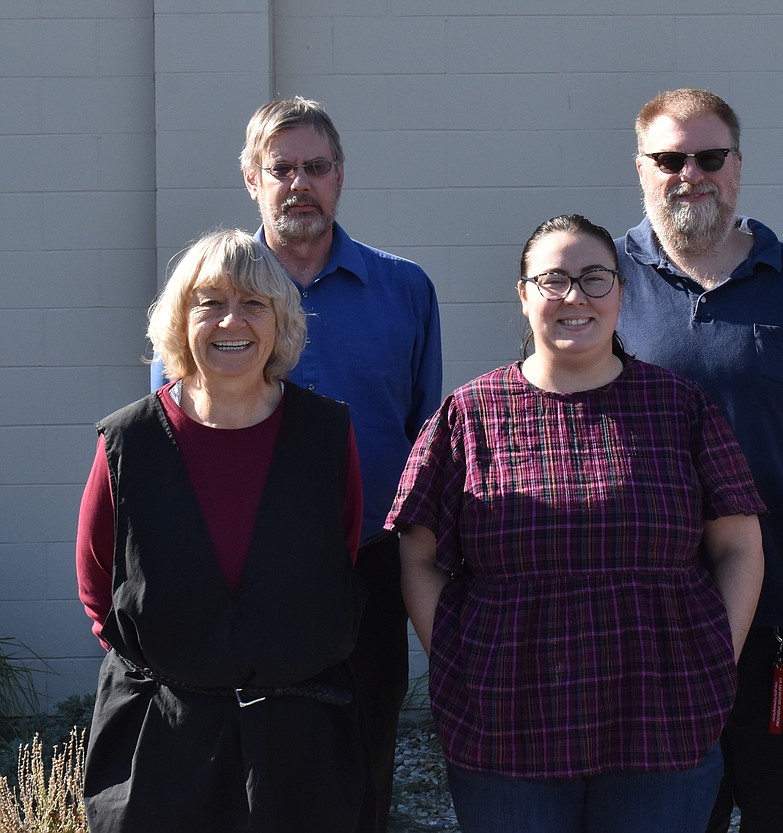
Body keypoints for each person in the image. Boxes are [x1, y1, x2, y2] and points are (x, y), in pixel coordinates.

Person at [389, 213, 767, 833]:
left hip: (660, 715)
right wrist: (457, 661)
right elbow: (417, 555)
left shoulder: (679, 406)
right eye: (553, 280)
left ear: (620, 292)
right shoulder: (469, 414)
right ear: (523, 295)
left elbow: (738, 546)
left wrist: (714, 657)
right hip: (506, 726)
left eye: (595, 278)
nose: (575, 297)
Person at [151, 96, 444, 828]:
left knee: (365, 760)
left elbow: (419, 432)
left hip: (365, 572)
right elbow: (163, 435)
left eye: (316, 166)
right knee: (237, 773)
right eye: (281, 169)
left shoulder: (404, 290)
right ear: (252, 179)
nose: (300, 183)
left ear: (341, 175)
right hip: (238, 582)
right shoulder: (206, 295)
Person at [615, 88, 783, 833]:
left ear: (738, 166)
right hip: (649, 632)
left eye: (709, 156)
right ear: (641, 169)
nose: (689, 173)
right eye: (669, 158)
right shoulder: (606, 286)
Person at [77, 230, 369, 832]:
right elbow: (98, 588)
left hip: (300, 747)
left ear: (280, 320)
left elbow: (339, 557)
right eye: (210, 301)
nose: (231, 320)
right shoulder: (127, 440)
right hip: (162, 744)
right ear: (180, 320)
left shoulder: (326, 435)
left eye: (254, 303)